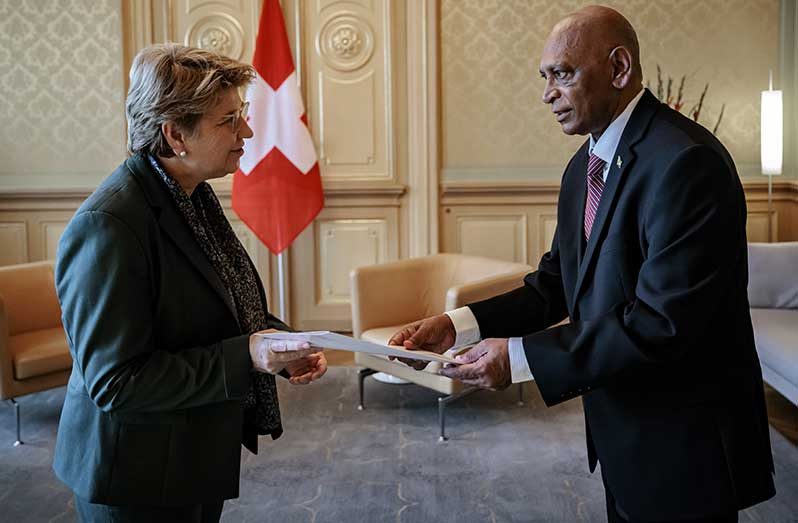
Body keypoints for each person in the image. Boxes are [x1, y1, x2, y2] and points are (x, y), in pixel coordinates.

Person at [390, 6, 775, 522]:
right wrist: (457, 326)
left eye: (563, 74)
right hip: (622, 434)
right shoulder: (582, 167)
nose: (547, 93)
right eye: (545, 78)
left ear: (619, 69)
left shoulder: (686, 163)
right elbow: (554, 285)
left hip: (685, 443)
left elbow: (662, 324)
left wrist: (519, 359)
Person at [53, 44, 327, 522]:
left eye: (241, 113)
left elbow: (216, 302)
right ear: (176, 134)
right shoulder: (110, 224)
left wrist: (281, 344)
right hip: (133, 478)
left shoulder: (189, 194)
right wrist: (247, 356)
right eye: (229, 120)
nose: (247, 131)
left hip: (186, 460)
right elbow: (116, 382)